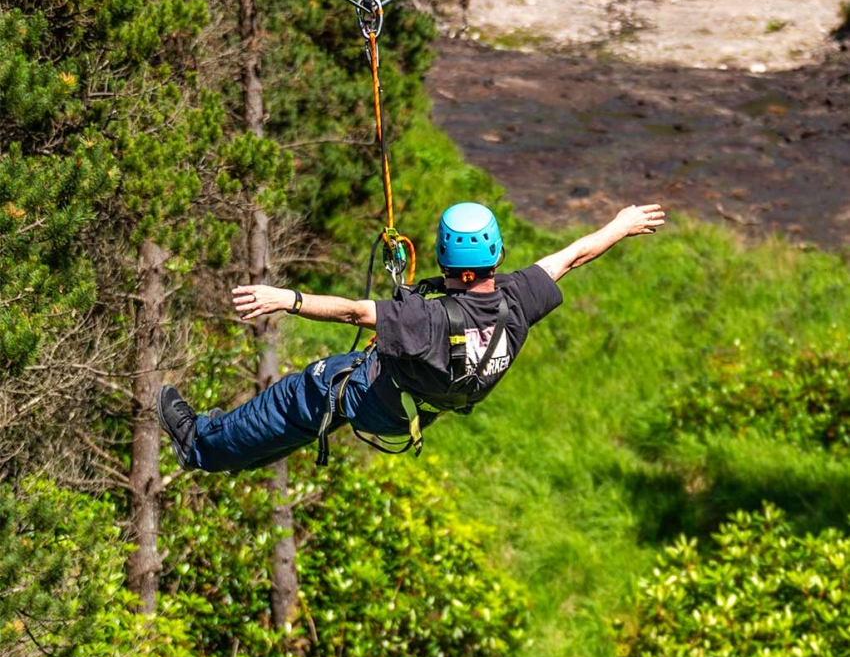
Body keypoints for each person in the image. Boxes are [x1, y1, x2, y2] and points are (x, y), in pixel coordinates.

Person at [157, 201, 665, 472]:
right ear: (497, 254)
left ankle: (200, 444)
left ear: (445, 259)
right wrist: (621, 225)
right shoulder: (518, 300)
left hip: (378, 395)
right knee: (307, 419)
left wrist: (286, 299)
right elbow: (572, 256)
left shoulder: (429, 322)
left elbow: (357, 313)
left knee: (305, 391)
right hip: (416, 408)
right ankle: (235, 454)